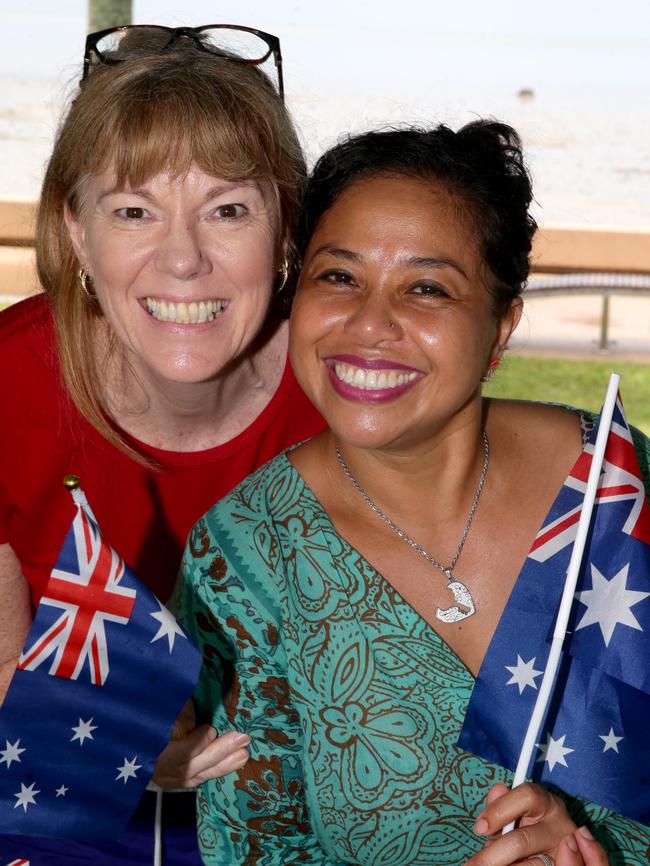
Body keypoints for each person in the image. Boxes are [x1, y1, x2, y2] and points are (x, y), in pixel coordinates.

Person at [174, 121, 650, 864]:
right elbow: (258, 849)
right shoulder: (245, 560)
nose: (369, 323)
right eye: (338, 277)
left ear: (501, 328)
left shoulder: (615, 490)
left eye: (427, 287)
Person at [0, 24, 325, 865]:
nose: (182, 260)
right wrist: (119, 743)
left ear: (287, 231)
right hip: (50, 790)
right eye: (134, 210)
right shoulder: (10, 382)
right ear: (76, 232)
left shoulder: (350, 392)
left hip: (290, 804)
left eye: (227, 210)